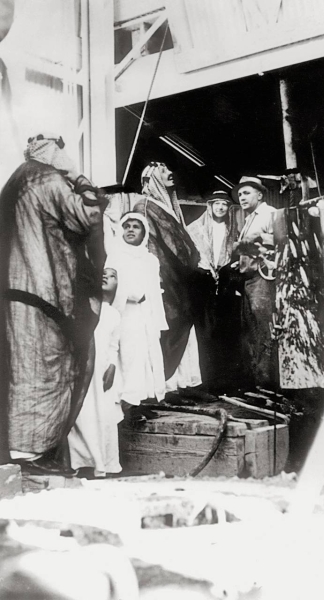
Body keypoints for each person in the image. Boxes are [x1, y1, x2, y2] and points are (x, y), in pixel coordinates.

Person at [0, 132, 106, 475]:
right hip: (44, 295)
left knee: (22, 371)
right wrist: (78, 176)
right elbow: (86, 216)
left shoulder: (16, 181)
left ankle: (22, 453)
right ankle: (31, 456)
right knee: (45, 369)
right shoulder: (45, 177)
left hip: (17, 293)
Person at [133, 162, 202, 392]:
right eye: (162, 171)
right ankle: (160, 388)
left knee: (177, 327)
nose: (169, 172)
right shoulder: (146, 207)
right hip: (163, 281)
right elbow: (172, 247)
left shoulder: (165, 207)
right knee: (168, 328)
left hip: (176, 281)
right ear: (151, 180)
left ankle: (174, 386)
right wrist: (192, 257)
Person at [106, 212, 168, 407]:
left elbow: (153, 290)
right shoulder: (115, 256)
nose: (131, 230)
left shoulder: (150, 259)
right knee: (129, 357)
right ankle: (124, 404)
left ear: (144, 232)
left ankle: (139, 402)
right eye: (127, 226)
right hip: (125, 313)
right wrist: (133, 294)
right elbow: (111, 284)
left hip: (145, 313)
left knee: (146, 356)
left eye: (136, 226)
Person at [68, 267, 122, 478]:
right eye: (103, 273)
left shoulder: (114, 314)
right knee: (82, 412)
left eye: (112, 276)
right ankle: (79, 461)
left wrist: (112, 367)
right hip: (82, 367)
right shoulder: (84, 306)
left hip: (102, 369)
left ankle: (103, 463)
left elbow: (114, 345)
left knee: (104, 415)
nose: (106, 277)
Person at [187, 190, 241, 388]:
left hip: (225, 281)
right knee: (204, 329)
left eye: (224, 204)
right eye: (216, 204)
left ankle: (223, 380)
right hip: (203, 280)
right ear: (209, 206)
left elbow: (235, 256)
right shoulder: (195, 229)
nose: (220, 208)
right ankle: (204, 380)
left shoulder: (232, 230)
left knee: (224, 330)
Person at [231, 176, 278, 390]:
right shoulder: (248, 218)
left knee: (264, 326)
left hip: (263, 278)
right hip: (248, 279)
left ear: (260, 195)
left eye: (246, 193)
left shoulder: (270, 214)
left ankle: (268, 381)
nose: (242, 197)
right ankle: (258, 380)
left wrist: (255, 242)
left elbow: (280, 239)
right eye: (240, 194)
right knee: (251, 328)